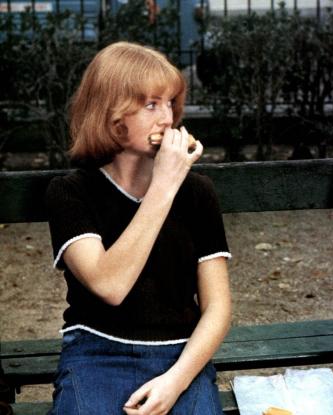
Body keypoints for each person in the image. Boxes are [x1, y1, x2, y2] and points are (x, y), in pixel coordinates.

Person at [45, 41, 232, 415]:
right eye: (151, 105)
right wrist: (163, 186)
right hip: (96, 351)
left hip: (180, 356)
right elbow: (110, 286)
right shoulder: (71, 192)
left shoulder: (197, 192)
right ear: (112, 115)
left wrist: (175, 381)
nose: (167, 118)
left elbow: (218, 307)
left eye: (170, 103)